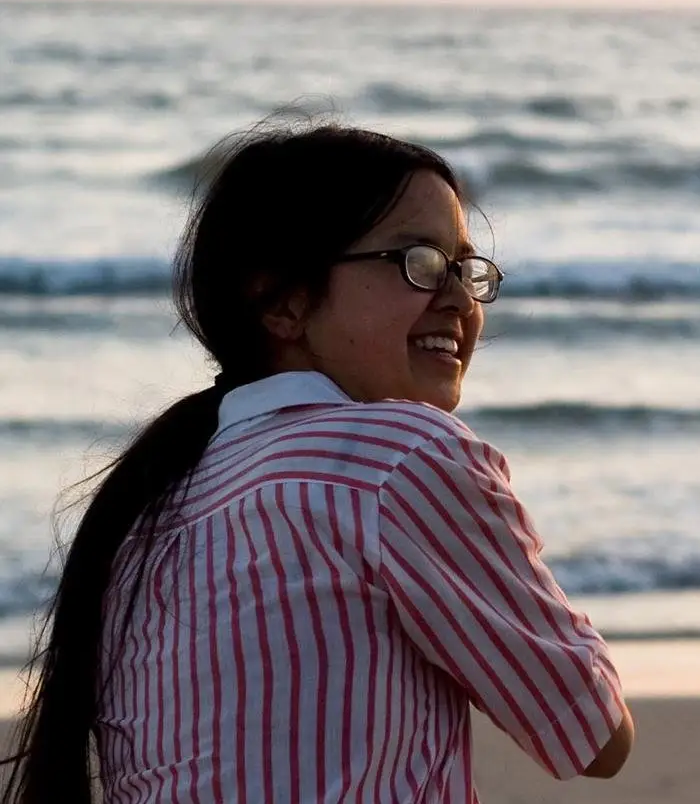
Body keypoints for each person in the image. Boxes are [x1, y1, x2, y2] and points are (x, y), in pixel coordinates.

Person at [2, 124, 633, 802]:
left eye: (466, 269)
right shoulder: (400, 456)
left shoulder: (153, 510)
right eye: (418, 262)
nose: (457, 299)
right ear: (284, 301)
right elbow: (592, 732)